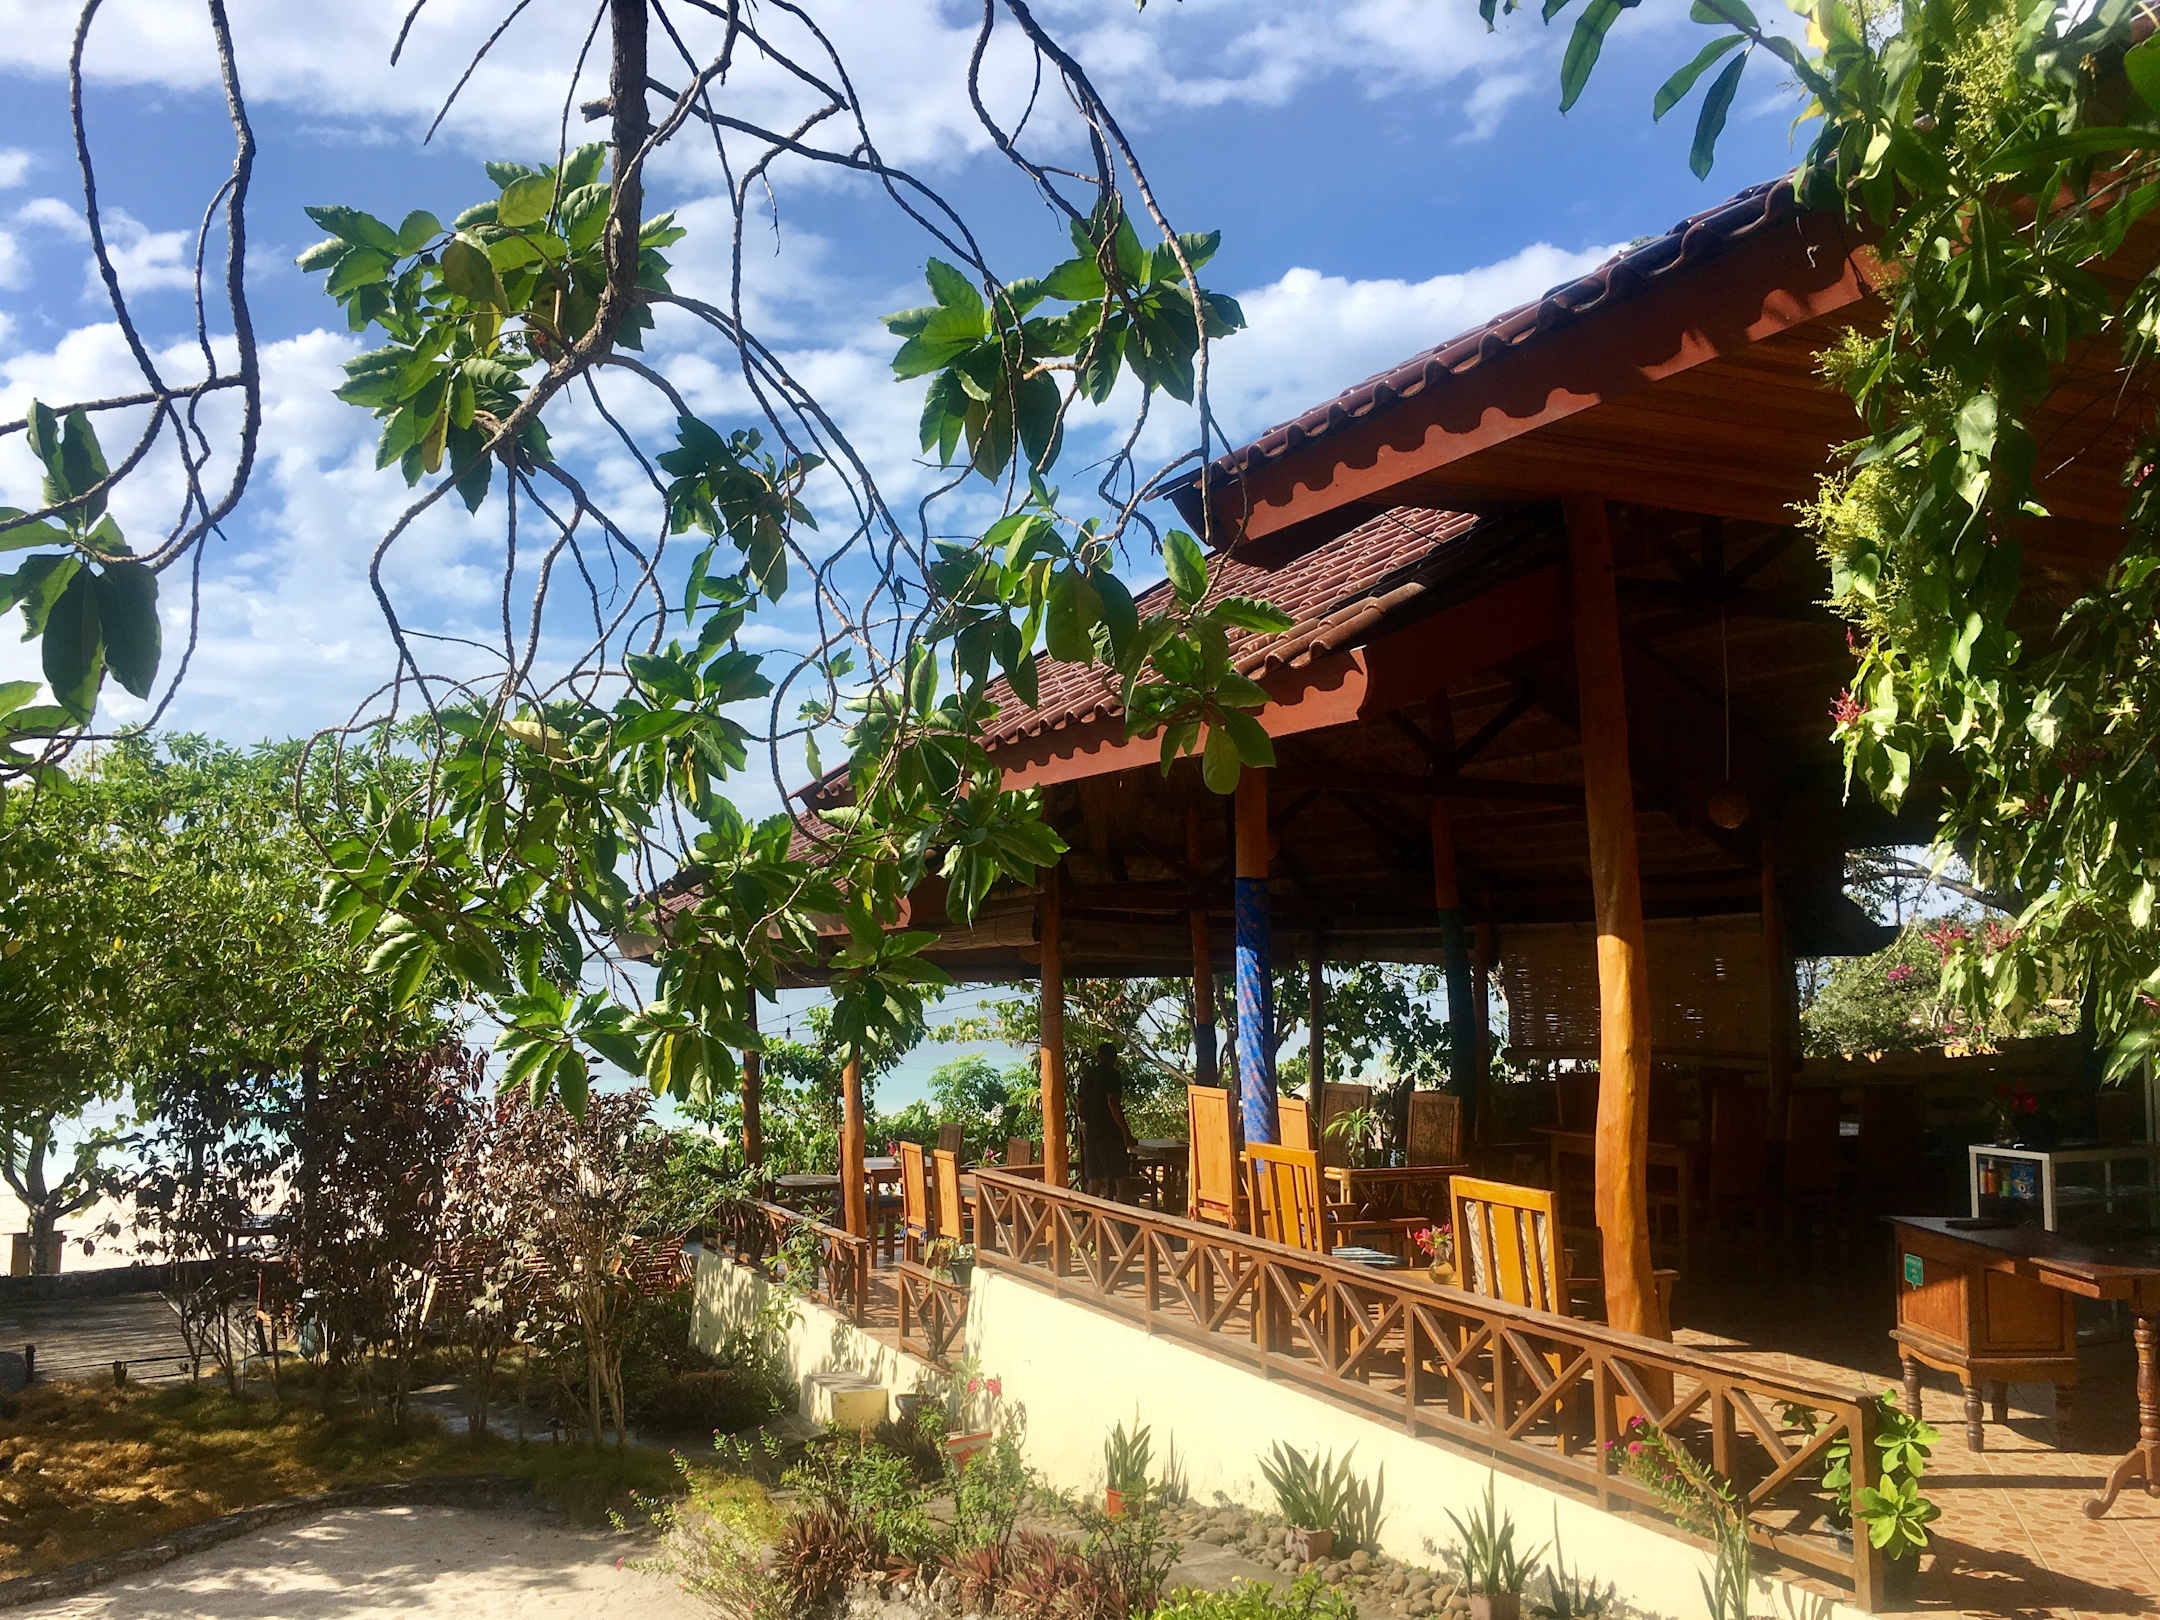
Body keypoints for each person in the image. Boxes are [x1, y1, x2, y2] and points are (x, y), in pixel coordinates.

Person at [1077, 1039, 1136, 1199]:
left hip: (1092, 1133)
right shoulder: (1112, 1075)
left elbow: (1079, 1106)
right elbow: (1113, 1104)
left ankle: (1091, 1215)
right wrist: (1126, 1132)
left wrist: (1087, 1124)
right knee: (1121, 1179)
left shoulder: (1087, 1075)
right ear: (1114, 1058)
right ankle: (1123, 1215)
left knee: (1094, 1181)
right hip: (1110, 1134)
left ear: (1098, 1057)